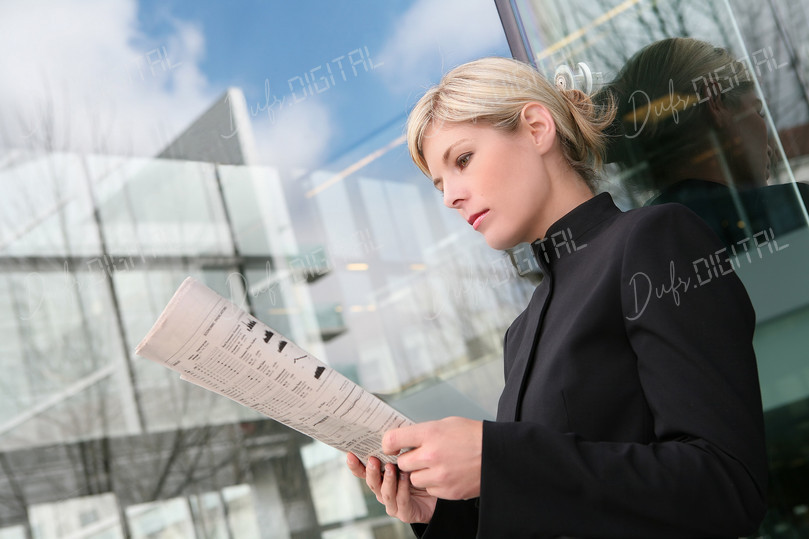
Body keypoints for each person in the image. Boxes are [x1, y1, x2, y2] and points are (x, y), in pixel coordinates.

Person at [346, 56, 768, 537]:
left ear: (537, 127)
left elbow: (726, 484)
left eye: (462, 160)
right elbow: (553, 500)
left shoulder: (654, 240)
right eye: (439, 184)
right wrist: (443, 511)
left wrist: (496, 460)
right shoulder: (521, 333)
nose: (450, 197)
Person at [597, 37, 809, 247]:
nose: (768, 141)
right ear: (715, 99)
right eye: (757, 111)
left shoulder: (640, 248)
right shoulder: (793, 209)